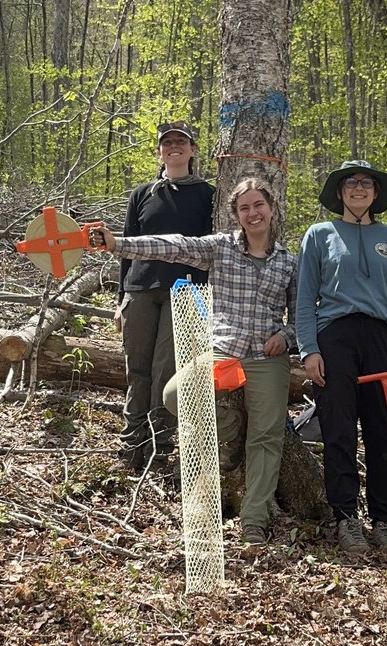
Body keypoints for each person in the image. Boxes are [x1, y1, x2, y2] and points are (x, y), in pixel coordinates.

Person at [91, 178, 296, 545]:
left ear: (271, 208)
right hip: (221, 352)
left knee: (267, 438)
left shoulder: (288, 263)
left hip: (266, 358)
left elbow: (300, 318)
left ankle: (254, 520)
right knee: (175, 395)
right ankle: (229, 434)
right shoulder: (220, 248)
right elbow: (173, 246)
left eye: (258, 205)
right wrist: (117, 244)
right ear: (236, 215)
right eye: (244, 208)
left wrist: (286, 336)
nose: (253, 214)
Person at [296, 159, 387, 555]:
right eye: (351, 183)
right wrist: (309, 349)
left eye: (366, 183)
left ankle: (384, 520)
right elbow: (305, 299)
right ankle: (346, 517)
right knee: (339, 430)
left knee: (384, 431)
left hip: (383, 338)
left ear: (376, 192)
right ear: (340, 192)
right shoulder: (319, 235)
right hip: (335, 338)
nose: (359, 189)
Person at [116, 120, 215, 470]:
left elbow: (213, 250)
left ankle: (160, 448)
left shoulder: (208, 194)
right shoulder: (142, 194)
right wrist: (121, 300)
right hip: (140, 290)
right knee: (137, 370)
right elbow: (126, 248)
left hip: (185, 293)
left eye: (181, 142)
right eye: (167, 143)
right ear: (159, 151)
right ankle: (131, 447)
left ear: (192, 149)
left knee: (166, 371)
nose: (174, 147)